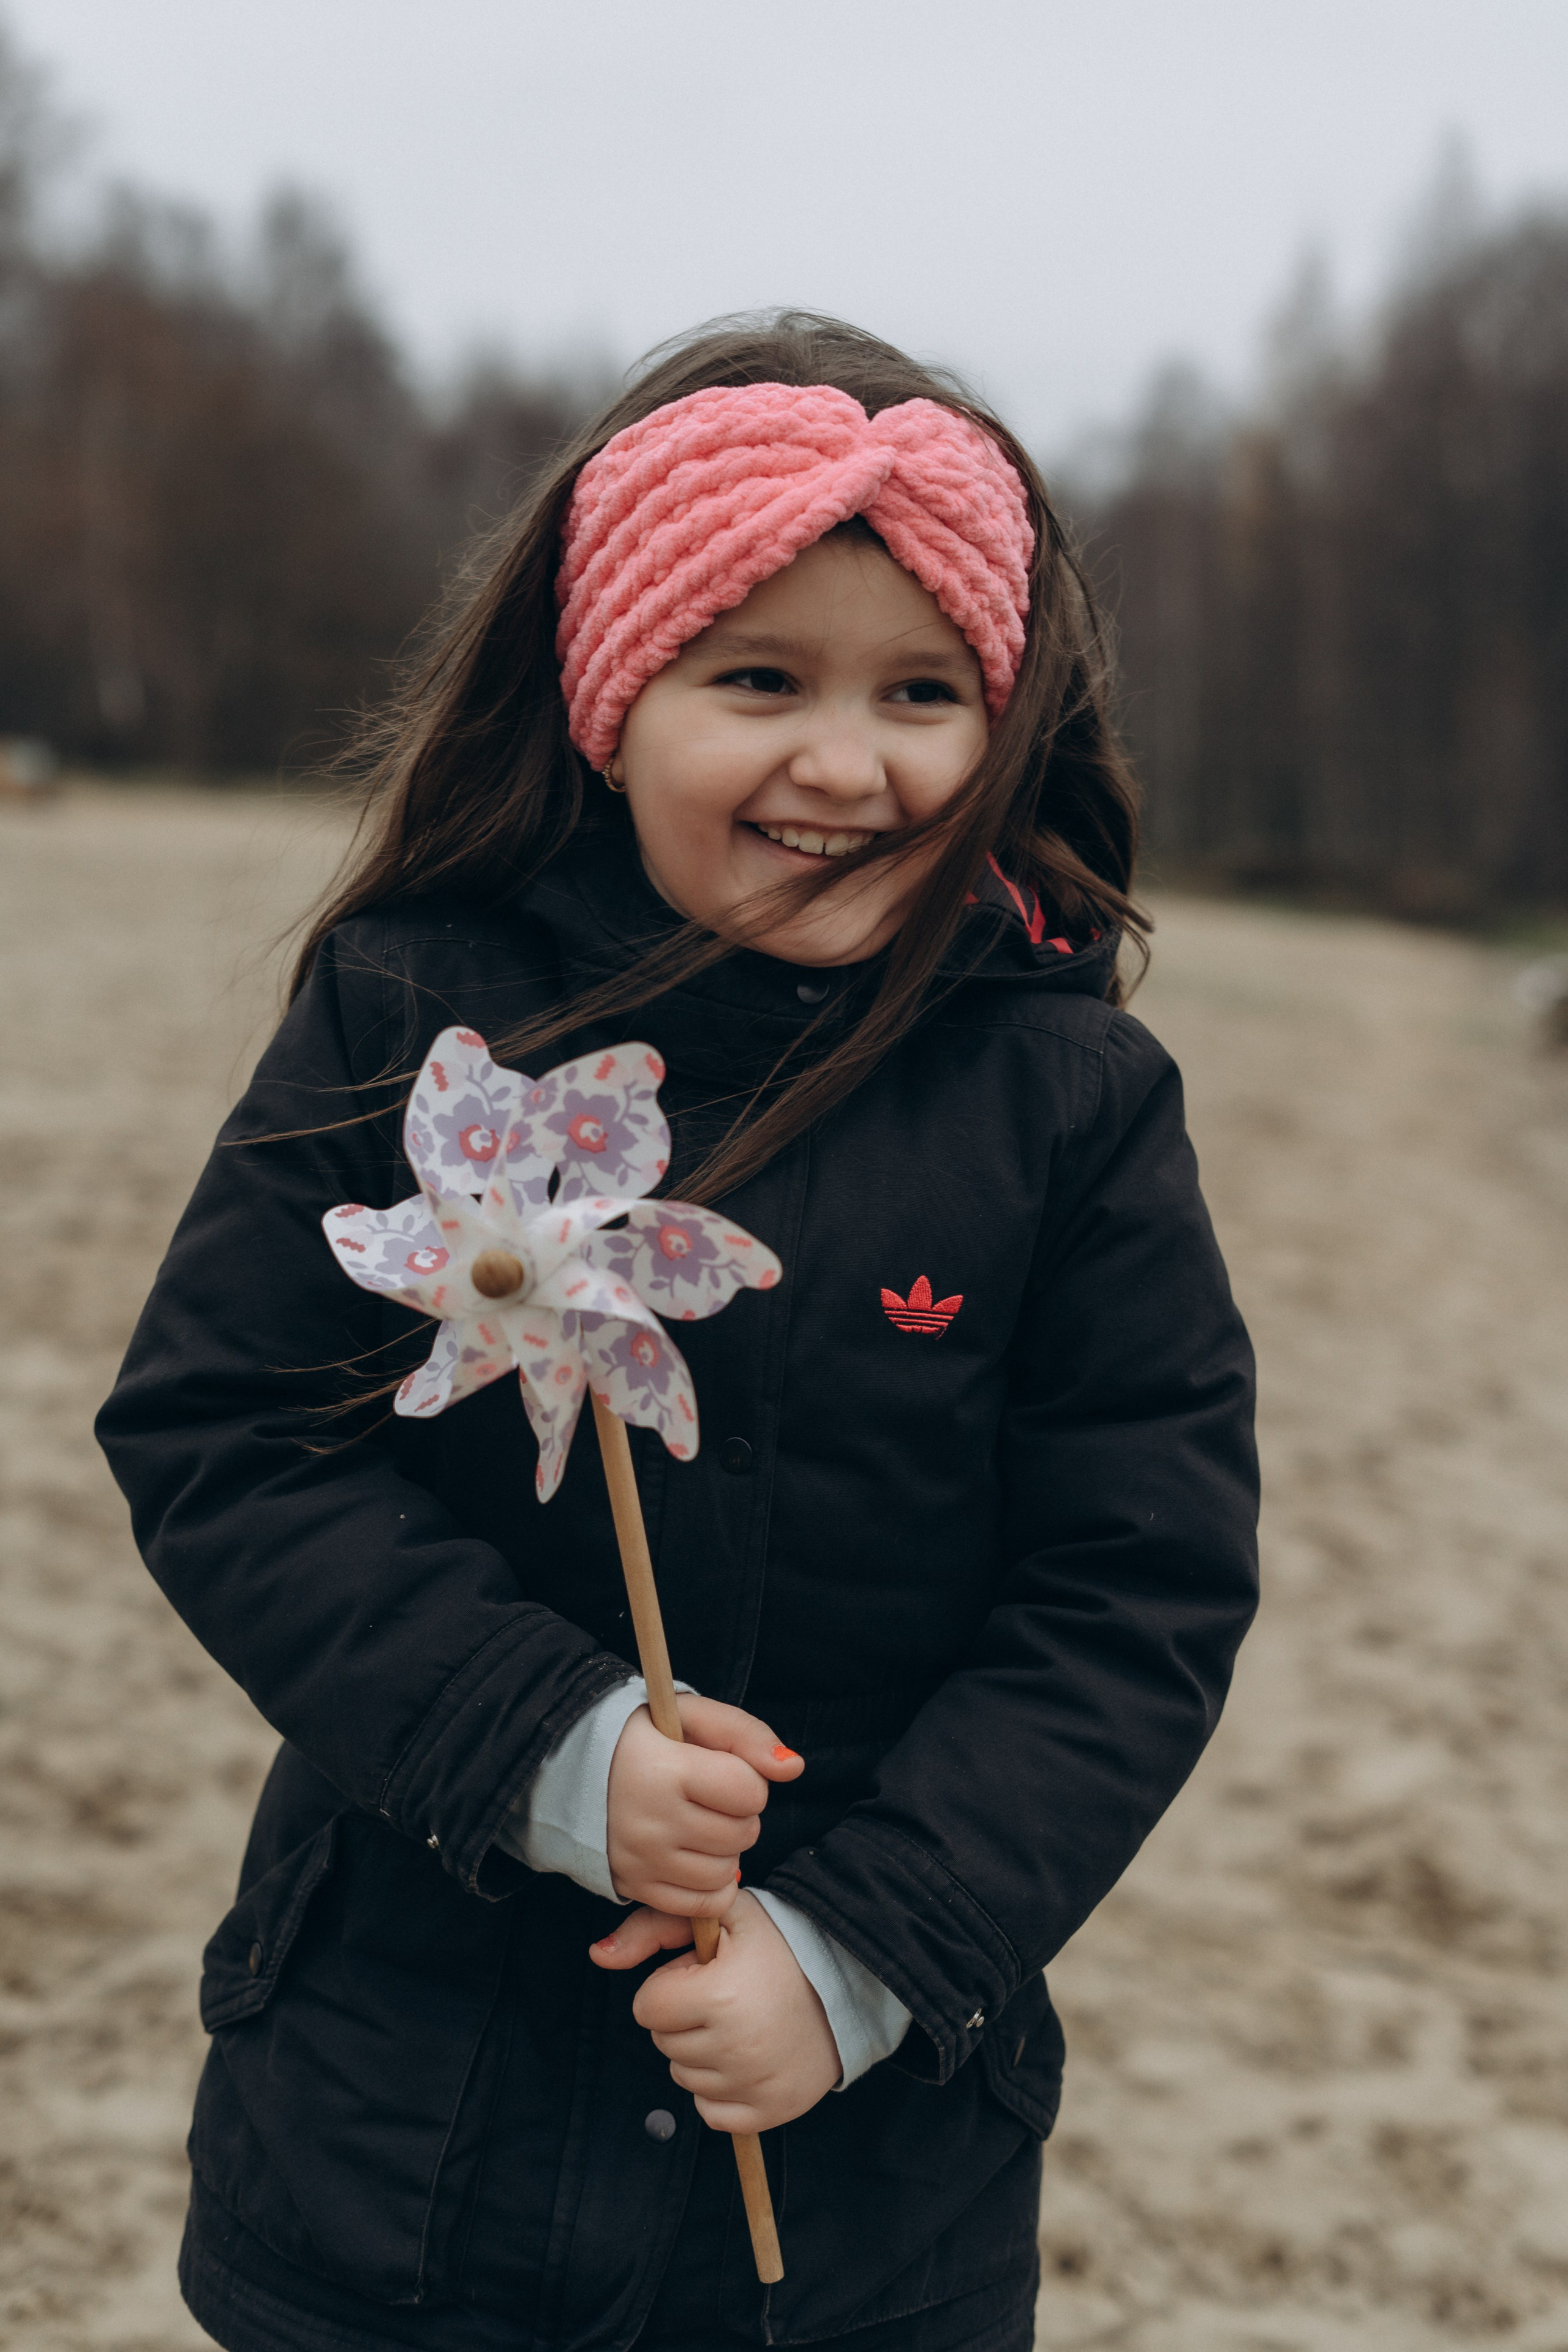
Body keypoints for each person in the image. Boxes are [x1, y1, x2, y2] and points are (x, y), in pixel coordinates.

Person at [97, 311, 1258, 2352]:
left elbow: (1132, 1597)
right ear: (611, 700)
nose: (846, 762)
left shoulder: (1071, 1107)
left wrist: (860, 1962)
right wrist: (548, 1752)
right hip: (398, 2129)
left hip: (863, 2156)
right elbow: (230, 1435)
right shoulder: (411, 1011)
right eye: (758, 680)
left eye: (925, 692)